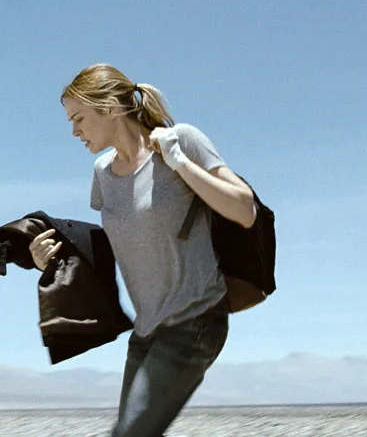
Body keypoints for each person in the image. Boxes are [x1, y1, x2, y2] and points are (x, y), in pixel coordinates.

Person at [29, 64, 256, 437]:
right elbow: (121, 244)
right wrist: (53, 261)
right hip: (147, 331)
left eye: (79, 119)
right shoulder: (103, 173)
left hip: (195, 320)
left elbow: (245, 210)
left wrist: (179, 162)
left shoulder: (181, 141)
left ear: (110, 108)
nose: (74, 131)